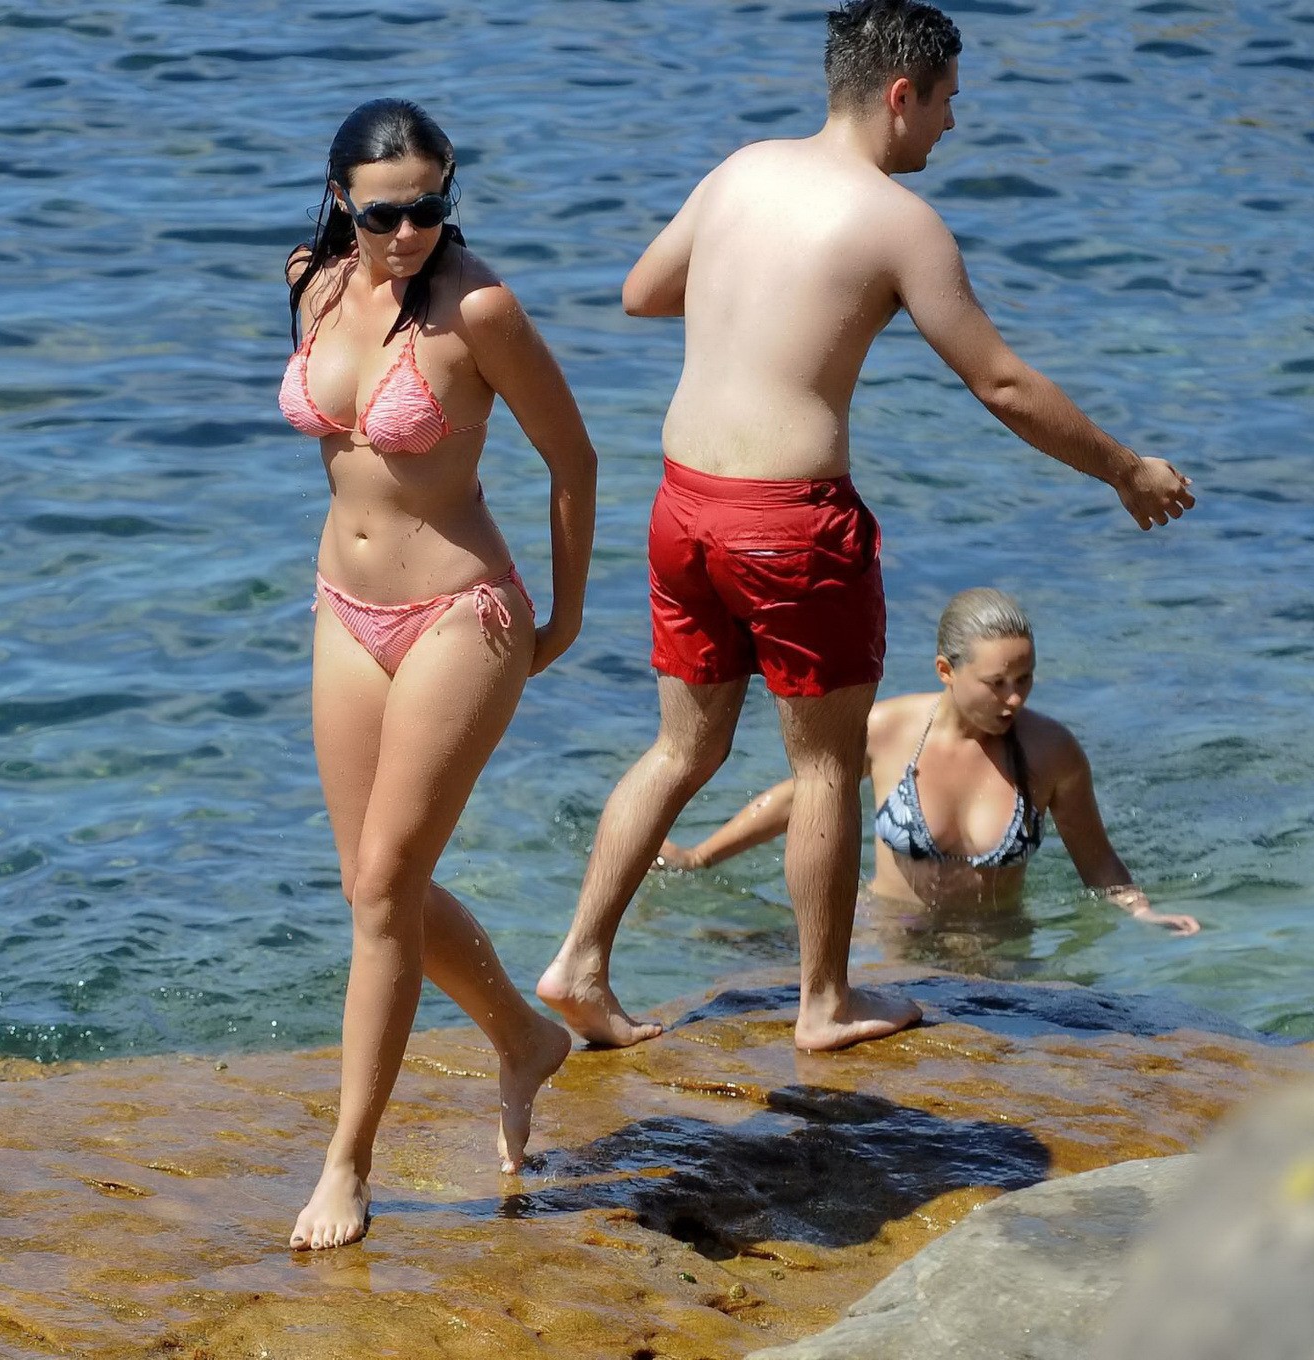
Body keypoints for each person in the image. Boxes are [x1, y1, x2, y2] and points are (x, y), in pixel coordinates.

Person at [537, 0, 1195, 1052]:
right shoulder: (897, 222)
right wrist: (1123, 469)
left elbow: (641, 291)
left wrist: (754, 305)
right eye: (943, 105)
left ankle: (577, 961)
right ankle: (823, 1001)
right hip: (789, 526)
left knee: (678, 748)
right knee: (821, 767)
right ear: (900, 95)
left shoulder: (741, 169)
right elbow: (1000, 381)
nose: (947, 127)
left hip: (682, 505)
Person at [279, 99, 595, 1250]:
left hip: (460, 613)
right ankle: (523, 1036)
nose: (409, 232)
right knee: (375, 885)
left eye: (430, 207)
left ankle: (347, 1163)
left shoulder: (480, 310)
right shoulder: (312, 282)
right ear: (338, 202)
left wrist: (560, 613)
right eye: (384, 213)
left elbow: (574, 461)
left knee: (381, 891)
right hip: (341, 611)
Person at [654, 588, 1202, 940]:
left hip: (998, 948)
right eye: (996, 684)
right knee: (719, 944)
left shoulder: (1051, 751)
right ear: (946, 670)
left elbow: (1099, 864)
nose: (1014, 699)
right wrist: (700, 857)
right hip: (887, 935)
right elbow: (798, 797)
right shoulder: (887, 731)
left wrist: (1142, 913)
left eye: (1025, 679)